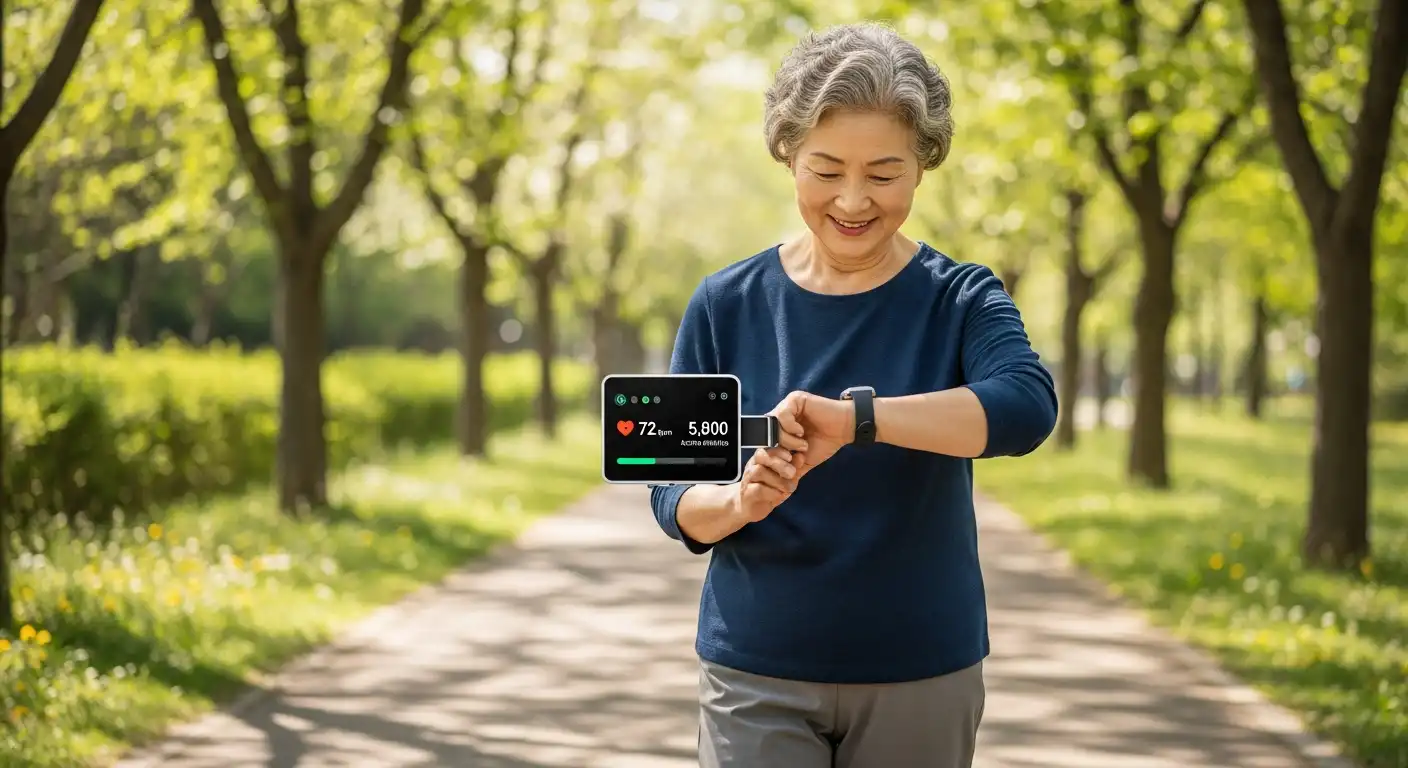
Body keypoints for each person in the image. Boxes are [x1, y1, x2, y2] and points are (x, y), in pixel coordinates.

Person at [648, 21, 1059, 768]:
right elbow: (672, 492)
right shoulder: (725, 304)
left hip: (922, 668)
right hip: (755, 666)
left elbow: (1026, 406)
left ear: (923, 167)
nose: (853, 199)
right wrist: (740, 502)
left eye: (884, 173)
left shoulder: (962, 299)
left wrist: (857, 420)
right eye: (825, 168)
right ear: (787, 157)